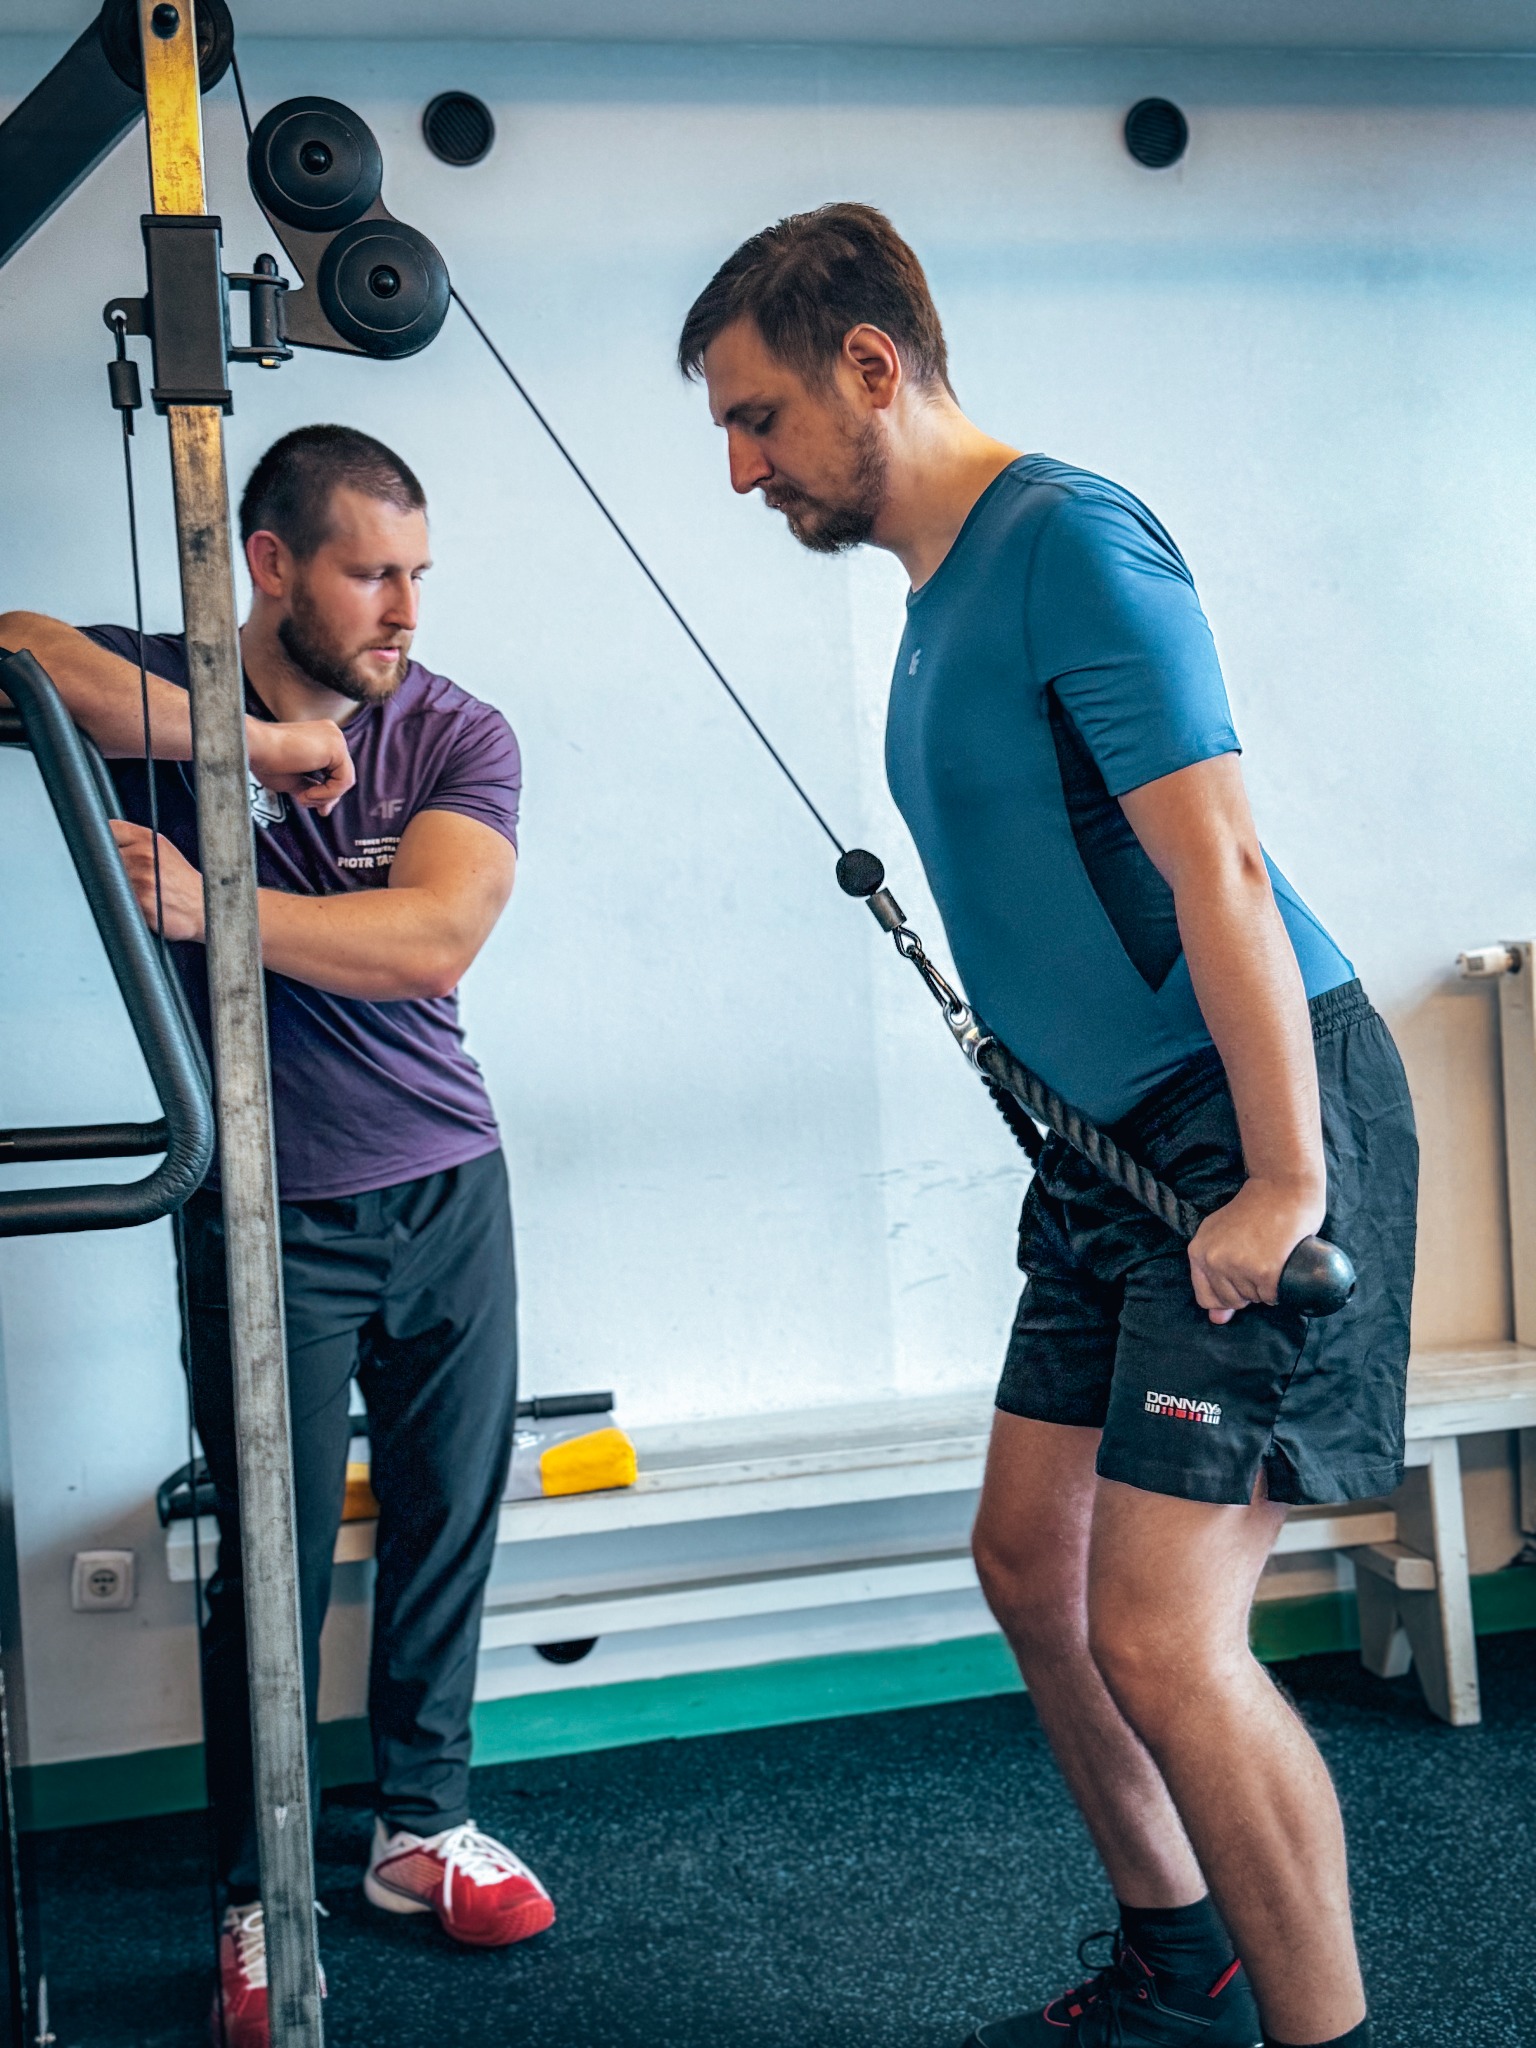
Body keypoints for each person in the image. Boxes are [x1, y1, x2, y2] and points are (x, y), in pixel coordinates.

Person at [677, 207, 1417, 2048]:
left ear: (871, 361)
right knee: (1034, 1561)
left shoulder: (1071, 539)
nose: (744, 466)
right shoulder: (940, 597)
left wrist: (1283, 1179)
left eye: (756, 416)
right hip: (1102, 1159)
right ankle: (1182, 1970)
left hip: (1241, 1126)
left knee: (1167, 1634)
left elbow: (1220, 861)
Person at [0, 426, 554, 2046]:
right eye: (372, 573)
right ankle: (263, 1891)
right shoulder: (168, 691)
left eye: (418, 575)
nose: (403, 610)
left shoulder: (455, 728)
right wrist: (247, 743)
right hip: (264, 1208)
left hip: (450, 1180)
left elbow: (433, 936)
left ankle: (419, 1833)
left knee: (450, 1519)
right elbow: (16, 647)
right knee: (274, 1559)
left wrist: (210, 901)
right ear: (270, 566)